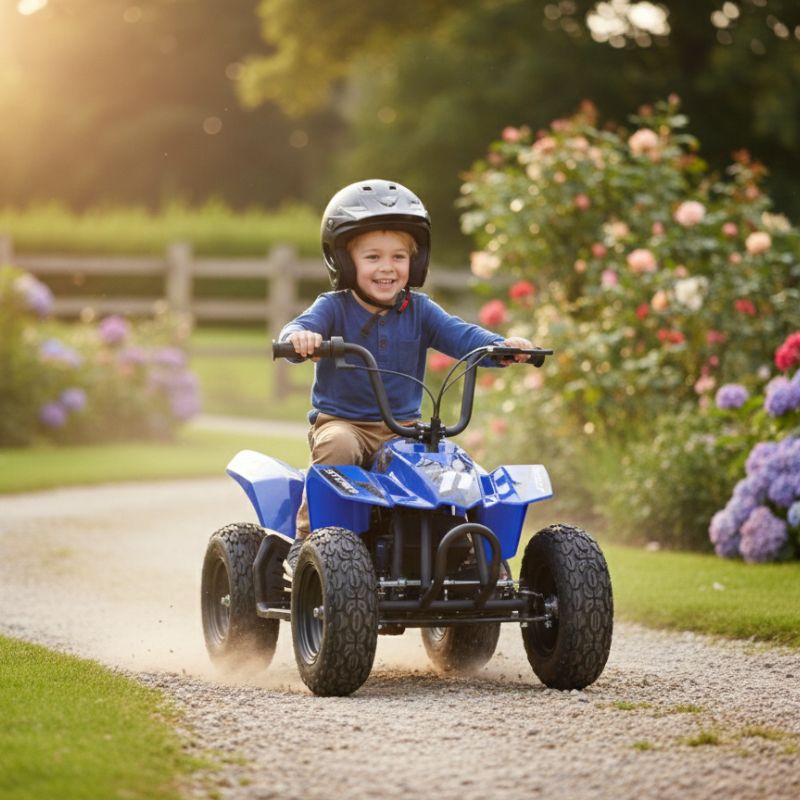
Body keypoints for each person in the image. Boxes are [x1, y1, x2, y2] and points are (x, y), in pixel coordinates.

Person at [279, 179, 533, 570]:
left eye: (399, 257)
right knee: (339, 448)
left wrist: (501, 348)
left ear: (416, 262)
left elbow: (463, 336)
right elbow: (295, 329)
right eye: (372, 257)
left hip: (404, 428)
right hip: (344, 423)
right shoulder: (333, 307)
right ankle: (309, 539)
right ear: (344, 262)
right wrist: (301, 339)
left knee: (452, 464)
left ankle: (463, 555)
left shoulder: (421, 310)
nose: (387, 268)